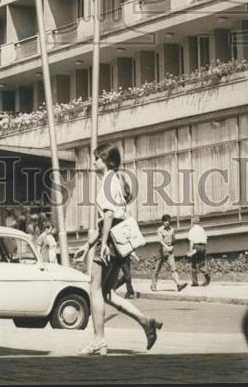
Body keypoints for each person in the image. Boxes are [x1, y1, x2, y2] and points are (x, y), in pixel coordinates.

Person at [73, 142, 161, 355]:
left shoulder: (108, 181)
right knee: (107, 293)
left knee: (94, 289)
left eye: (96, 158)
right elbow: (111, 218)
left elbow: (109, 216)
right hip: (117, 243)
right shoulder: (116, 180)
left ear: (106, 161)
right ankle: (146, 322)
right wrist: (87, 245)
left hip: (109, 242)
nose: (93, 161)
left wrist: (101, 246)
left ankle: (99, 340)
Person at [150, 214, 188, 292]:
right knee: (157, 270)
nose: (167, 222)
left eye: (168, 221)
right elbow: (160, 241)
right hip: (162, 252)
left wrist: (172, 246)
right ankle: (153, 286)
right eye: (165, 221)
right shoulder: (160, 230)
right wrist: (166, 247)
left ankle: (178, 285)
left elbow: (174, 240)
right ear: (163, 221)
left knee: (174, 269)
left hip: (170, 252)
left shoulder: (172, 230)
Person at [188, 215, 210, 287]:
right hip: (203, 246)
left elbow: (191, 241)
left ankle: (195, 282)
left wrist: (190, 250)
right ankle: (206, 274)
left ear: (193, 222)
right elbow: (206, 240)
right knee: (201, 263)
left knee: (193, 264)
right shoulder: (202, 229)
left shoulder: (192, 230)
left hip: (196, 246)